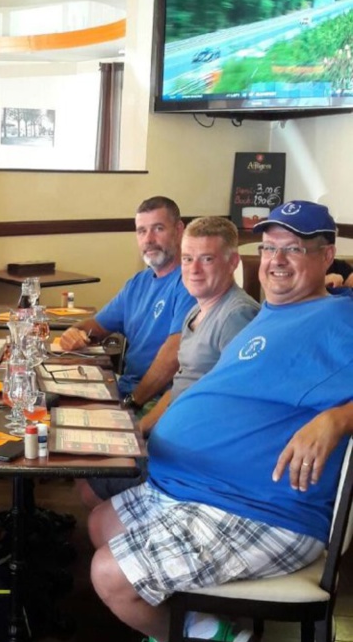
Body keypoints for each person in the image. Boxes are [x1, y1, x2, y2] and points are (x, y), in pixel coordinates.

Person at [89, 199, 353, 642]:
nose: (276, 260)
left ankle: (201, 640)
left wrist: (340, 418)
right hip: (195, 490)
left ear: (328, 255)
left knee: (107, 574)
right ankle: (195, 630)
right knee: (100, 520)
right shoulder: (271, 315)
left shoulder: (339, 317)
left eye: (294, 249)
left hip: (261, 508)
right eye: (271, 247)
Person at [83, 215, 260, 507]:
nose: (194, 270)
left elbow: (226, 406)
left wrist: (142, 430)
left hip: (193, 453)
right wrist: (139, 429)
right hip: (170, 430)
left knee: (91, 477)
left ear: (232, 263)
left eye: (207, 259)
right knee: (88, 459)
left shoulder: (237, 316)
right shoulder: (196, 311)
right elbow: (180, 385)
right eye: (189, 259)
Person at [58, 196, 196, 407]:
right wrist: (74, 333)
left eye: (158, 228)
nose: (149, 239)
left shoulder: (190, 282)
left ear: (179, 230)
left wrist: (132, 402)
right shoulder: (137, 284)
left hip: (158, 402)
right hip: (125, 388)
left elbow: (173, 358)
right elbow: (96, 326)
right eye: (142, 231)